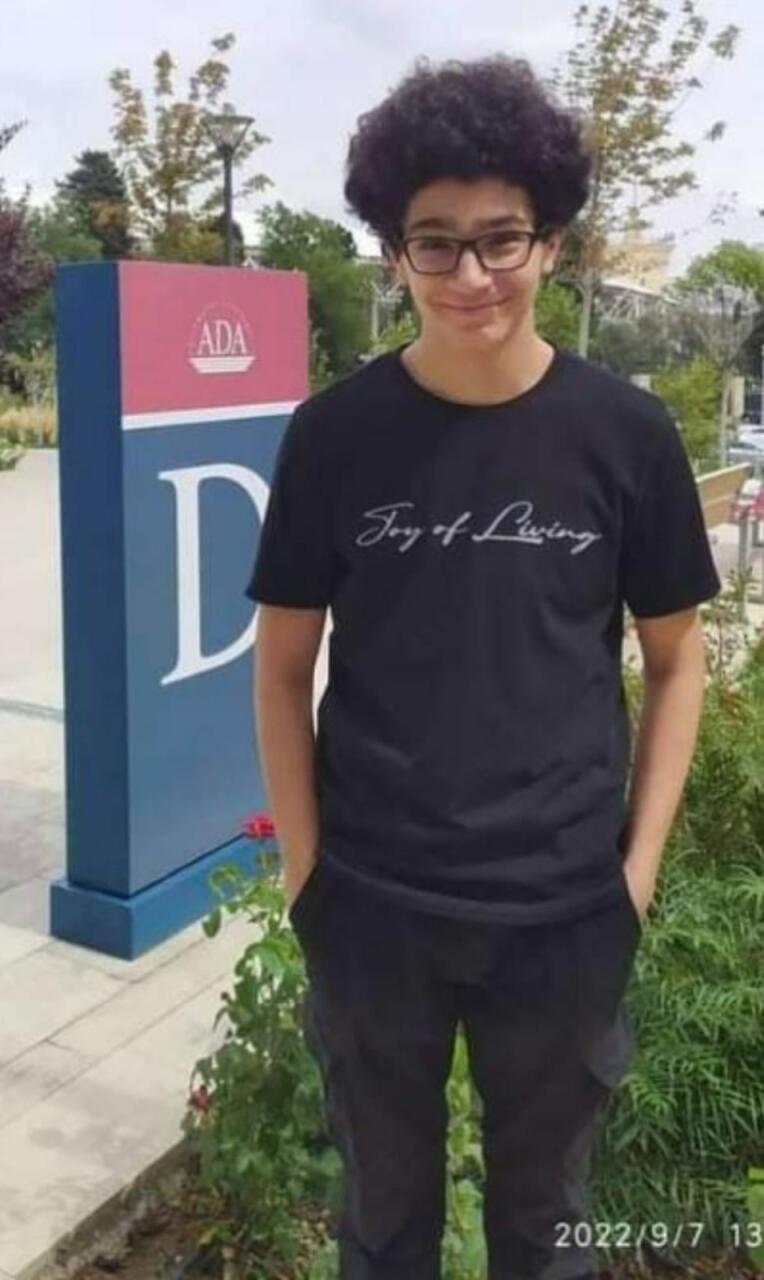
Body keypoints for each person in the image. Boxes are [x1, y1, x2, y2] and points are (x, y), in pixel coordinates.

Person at [244, 53, 722, 1280]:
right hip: (371, 904)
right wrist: (305, 874)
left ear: (549, 242)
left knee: (547, 1232)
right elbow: (281, 663)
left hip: (564, 909)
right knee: (382, 1225)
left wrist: (633, 874)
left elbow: (676, 659)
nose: (470, 276)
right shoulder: (334, 436)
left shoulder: (624, 435)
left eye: (500, 238)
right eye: (435, 243)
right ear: (393, 253)